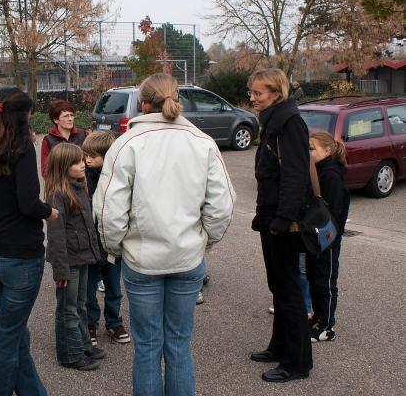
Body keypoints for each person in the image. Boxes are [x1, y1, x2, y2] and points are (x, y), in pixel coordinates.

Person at [94, 73, 236, 396]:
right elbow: (223, 205)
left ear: (143, 103)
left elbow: (107, 211)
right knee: (179, 346)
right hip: (187, 260)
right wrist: (203, 242)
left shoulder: (126, 144)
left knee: (146, 348)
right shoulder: (203, 143)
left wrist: (116, 250)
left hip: (142, 262)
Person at [0, 89, 59, 396]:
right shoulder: (21, 147)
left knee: (16, 334)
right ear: (22, 116)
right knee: (8, 338)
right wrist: (51, 212)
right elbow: (29, 203)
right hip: (19, 259)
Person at [248, 68, 313, 383]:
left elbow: (296, 175)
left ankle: (297, 362)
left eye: (258, 93)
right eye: (252, 93)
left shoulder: (290, 123)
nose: (253, 99)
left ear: (276, 92)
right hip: (270, 213)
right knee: (279, 286)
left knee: (289, 290)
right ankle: (279, 345)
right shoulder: (273, 120)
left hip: (283, 220)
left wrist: (283, 219)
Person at [45, 143, 104, 371]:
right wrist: (60, 270)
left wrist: (94, 254)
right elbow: (56, 235)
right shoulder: (57, 194)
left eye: (83, 160)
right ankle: (70, 354)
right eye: (77, 162)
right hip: (67, 261)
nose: (83, 164)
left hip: (82, 257)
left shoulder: (80, 186)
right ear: (63, 166)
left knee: (80, 304)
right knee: (67, 308)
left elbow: (88, 226)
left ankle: (83, 345)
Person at [82, 131, 131, 346]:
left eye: (93, 155)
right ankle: (90, 323)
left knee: (114, 288)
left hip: (112, 245)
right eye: (86, 154)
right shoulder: (81, 178)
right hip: (90, 246)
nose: (87, 159)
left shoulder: (117, 178)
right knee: (89, 289)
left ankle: (114, 322)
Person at [306, 131, 350, 342]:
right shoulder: (318, 170)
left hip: (328, 240)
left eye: (312, 148)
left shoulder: (331, 174)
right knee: (314, 279)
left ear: (327, 150)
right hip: (316, 238)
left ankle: (327, 326)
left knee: (326, 281)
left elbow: (331, 212)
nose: (309, 152)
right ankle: (318, 316)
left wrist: (324, 237)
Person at [40, 99, 88, 177]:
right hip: (60, 186)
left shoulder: (84, 134)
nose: (70, 119)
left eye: (71, 115)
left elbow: (92, 159)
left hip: (82, 184)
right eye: (66, 116)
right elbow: (45, 171)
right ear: (56, 120)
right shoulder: (48, 140)